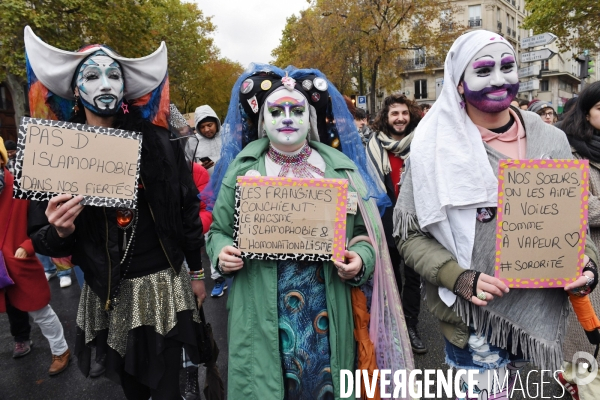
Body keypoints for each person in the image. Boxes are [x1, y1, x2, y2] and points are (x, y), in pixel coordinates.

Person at [393, 30, 599, 399]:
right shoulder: (433, 145)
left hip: (539, 308)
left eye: (507, 67)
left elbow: (573, 219)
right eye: (484, 70)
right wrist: (458, 277)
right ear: (459, 84)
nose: (499, 79)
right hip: (473, 319)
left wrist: (588, 265)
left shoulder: (550, 139)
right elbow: (409, 235)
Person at [206, 65, 413, 399]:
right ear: (263, 121)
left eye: (297, 110)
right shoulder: (243, 170)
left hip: (326, 311)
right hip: (262, 311)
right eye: (276, 110)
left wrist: (359, 259)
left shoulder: (337, 170)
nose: (287, 117)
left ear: (310, 119)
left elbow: (365, 234)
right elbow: (218, 230)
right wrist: (221, 251)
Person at [23, 26, 206, 400]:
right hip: (109, 292)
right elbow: (42, 236)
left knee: (169, 389)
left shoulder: (157, 142)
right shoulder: (57, 153)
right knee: (133, 387)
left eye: (113, 75)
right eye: (92, 75)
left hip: (163, 284)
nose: (105, 83)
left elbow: (188, 208)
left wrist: (197, 272)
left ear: (124, 88)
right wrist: (60, 231)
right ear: (76, 89)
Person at [0, 137, 70, 375]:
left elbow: (42, 223)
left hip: (18, 261)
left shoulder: (22, 186)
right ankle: (22, 339)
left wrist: (28, 246)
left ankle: (60, 349)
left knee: (39, 310)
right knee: (11, 308)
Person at [366, 93, 426, 354]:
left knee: (413, 277)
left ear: (410, 114)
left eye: (403, 113)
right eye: (394, 114)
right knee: (390, 276)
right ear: (386, 117)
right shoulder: (373, 145)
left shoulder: (423, 141)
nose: (400, 118)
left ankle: (411, 326)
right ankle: (393, 327)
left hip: (418, 218)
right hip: (386, 219)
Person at [558, 80, 600, 399]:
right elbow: (575, 205)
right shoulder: (568, 150)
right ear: (586, 113)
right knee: (586, 349)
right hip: (587, 258)